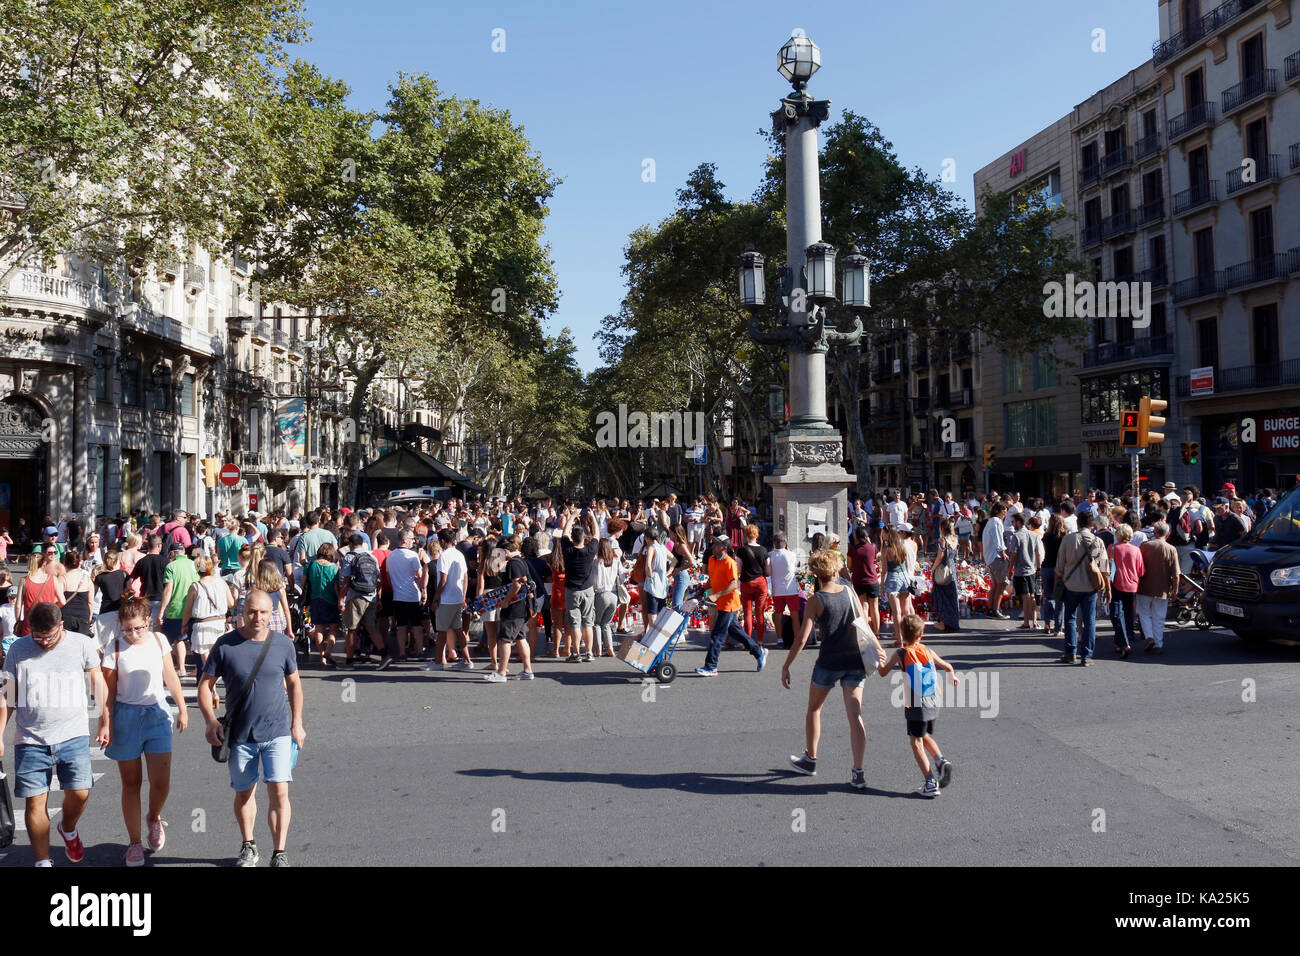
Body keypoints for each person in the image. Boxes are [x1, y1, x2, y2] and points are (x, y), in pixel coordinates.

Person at [198, 589, 304, 867]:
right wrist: (210, 720)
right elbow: (205, 686)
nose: (257, 617)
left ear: (273, 614)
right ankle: (249, 845)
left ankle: (279, 852)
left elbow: (294, 684)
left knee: (279, 791)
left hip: (277, 731)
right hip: (241, 734)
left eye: (263, 612)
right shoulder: (225, 645)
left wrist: (297, 723)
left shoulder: (283, 645)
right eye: (252, 612)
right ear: (243, 612)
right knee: (244, 793)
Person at [0, 602, 109, 866]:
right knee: (35, 803)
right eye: (37, 635)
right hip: (30, 739)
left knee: (81, 792)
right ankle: (43, 862)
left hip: (73, 734)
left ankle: (68, 828)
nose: (43, 642)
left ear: (60, 625)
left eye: (48, 636)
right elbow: (8, 695)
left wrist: (106, 721)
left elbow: (98, 682)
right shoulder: (18, 649)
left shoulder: (81, 644)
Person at [782, 548, 886, 791]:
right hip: (854, 662)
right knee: (855, 717)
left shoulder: (816, 600)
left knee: (814, 709)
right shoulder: (849, 593)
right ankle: (858, 771)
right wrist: (880, 650)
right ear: (835, 570)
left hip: (828, 662)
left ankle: (811, 758)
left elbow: (802, 639)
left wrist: (787, 665)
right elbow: (865, 624)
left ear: (816, 574)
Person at [101, 596, 187, 866]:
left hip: (157, 714)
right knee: (131, 784)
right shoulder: (114, 649)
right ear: (121, 626)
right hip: (125, 717)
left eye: (139, 628)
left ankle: (154, 817)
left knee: (161, 782)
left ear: (148, 621)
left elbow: (170, 675)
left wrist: (182, 708)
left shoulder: (159, 641)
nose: (134, 634)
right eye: (128, 629)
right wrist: (105, 722)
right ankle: (135, 842)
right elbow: (107, 693)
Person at [876, 613, 958, 799]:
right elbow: (947, 666)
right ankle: (940, 760)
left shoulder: (901, 654)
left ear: (902, 635)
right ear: (921, 635)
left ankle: (930, 782)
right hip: (933, 701)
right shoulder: (927, 650)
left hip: (915, 704)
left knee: (916, 742)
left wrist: (879, 660)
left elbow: (882, 672)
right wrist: (952, 676)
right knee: (924, 734)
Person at [695, 536, 767, 677]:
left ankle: (711, 666)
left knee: (717, 635)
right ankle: (758, 651)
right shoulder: (711, 560)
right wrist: (702, 590)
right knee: (734, 631)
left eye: (716, 544)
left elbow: (734, 584)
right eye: (713, 543)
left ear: (724, 548)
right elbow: (712, 578)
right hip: (720, 603)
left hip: (729, 604)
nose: (713, 546)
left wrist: (716, 595)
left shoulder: (730, 563)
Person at [1055, 511, 1110, 666]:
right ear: (1091, 524)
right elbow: (1104, 567)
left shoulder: (1068, 539)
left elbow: (1059, 567)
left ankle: (1070, 652)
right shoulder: (1097, 541)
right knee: (1089, 621)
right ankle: (1086, 655)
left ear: (1078, 523)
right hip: (1090, 587)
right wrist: (1108, 589)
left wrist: (1056, 586)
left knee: (1070, 619)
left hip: (1071, 585)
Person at [181, 555, 234, 707]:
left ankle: (214, 693)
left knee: (207, 664)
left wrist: (184, 624)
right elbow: (231, 603)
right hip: (219, 623)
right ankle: (225, 690)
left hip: (202, 625)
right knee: (221, 659)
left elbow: (188, 609)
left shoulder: (195, 586)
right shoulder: (221, 582)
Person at [489, 536, 535, 681]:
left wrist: (506, 601)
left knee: (504, 639)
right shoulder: (521, 561)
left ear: (504, 551)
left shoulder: (513, 564)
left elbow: (516, 585)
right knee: (520, 638)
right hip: (522, 607)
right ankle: (527, 670)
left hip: (514, 608)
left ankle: (501, 672)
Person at [424, 528, 468, 671]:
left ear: (442, 541)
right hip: (457, 596)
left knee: (442, 631)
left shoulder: (444, 556)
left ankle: (438, 662)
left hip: (446, 598)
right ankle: (467, 660)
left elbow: (443, 579)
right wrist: (463, 596)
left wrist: (435, 599)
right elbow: (465, 577)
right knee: (458, 629)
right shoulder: (459, 554)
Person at [156, 542, 199, 681]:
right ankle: (190, 668)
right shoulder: (194, 564)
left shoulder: (171, 566)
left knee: (168, 641)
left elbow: (168, 590)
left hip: (176, 609)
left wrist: (161, 611)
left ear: (173, 553)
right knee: (192, 641)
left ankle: (170, 669)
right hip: (193, 608)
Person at [1136, 521, 1180, 655]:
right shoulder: (1171, 549)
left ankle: (1149, 636)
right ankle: (1158, 643)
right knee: (1159, 617)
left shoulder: (1144, 546)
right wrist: (1175, 589)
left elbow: (1138, 566)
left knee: (1144, 613)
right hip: (1163, 588)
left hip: (1144, 586)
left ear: (1154, 533)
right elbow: (1176, 574)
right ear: (1168, 534)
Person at [1108, 524, 1143, 658]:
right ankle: (1126, 636)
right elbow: (1141, 570)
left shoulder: (1112, 548)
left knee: (1116, 614)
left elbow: (1106, 566)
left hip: (1116, 584)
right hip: (1132, 584)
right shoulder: (1136, 550)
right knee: (1128, 612)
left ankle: (1123, 642)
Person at [305, 542, 342, 667]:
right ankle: (328, 651)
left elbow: (305, 581)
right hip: (330, 599)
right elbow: (337, 587)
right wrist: (340, 600)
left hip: (315, 599)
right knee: (333, 627)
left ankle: (322, 657)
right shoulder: (333, 568)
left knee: (319, 628)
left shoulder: (311, 565)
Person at [1006, 513, 1044, 631]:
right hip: (1033, 569)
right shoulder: (1034, 535)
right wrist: (1039, 567)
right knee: (1033, 595)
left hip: (1021, 570)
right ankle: (1035, 621)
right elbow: (1038, 553)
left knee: (1026, 596)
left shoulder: (1016, 536)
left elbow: (1013, 554)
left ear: (1018, 522)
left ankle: (1026, 622)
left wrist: (1009, 569)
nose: (1012, 524)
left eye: (1013, 522)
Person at [15, 549, 65, 638]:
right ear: (44, 564)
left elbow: (18, 606)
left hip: (29, 624)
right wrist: (51, 607)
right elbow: (62, 602)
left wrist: (18, 621)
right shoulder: (52, 579)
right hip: (48, 622)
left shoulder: (24, 581)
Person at [766, 532, 803, 649]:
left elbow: (768, 571)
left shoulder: (770, 555)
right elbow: (797, 565)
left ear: (774, 543)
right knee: (794, 615)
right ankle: (797, 639)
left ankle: (780, 639)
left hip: (777, 589)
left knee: (778, 615)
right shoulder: (791, 554)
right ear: (785, 543)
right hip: (790, 589)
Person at [736, 523, 769, 648]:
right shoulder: (764, 550)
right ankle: (760, 641)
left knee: (748, 612)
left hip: (747, 582)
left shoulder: (741, 550)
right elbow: (768, 571)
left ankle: (748, 641)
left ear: (746, 535)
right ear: (757, 535)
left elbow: (738, 569)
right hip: (761, 582)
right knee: (760, 612)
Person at [846, 525, 881, 637]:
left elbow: (849, 566)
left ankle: (866, 632)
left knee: (863, 606)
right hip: (872, 580)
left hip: (858, 580)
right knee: (874, 607)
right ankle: (877, 632)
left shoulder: (853, 550)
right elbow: (878, 556)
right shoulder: (872, 547)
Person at [592, 537, 622, 660]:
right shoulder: (616, 560)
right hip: (613, 594)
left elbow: (594, 580)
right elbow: (622, 575)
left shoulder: (596, 561)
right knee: (606, 623)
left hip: (601, 594)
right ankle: (609, 648)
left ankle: (598, 648)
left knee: (596, 623)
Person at [930, 519, 961, 632]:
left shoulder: (943, 540)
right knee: (952, 596)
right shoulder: (955, 539)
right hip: (951, 569)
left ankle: (943, 622)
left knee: (941, 596)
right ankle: (953, 622)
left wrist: (933, 569)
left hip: (943, 569)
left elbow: (940, 556)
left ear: (942, 528)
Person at [1040, 515, 1068, 636]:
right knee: (1059, 599)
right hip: (1059, 568)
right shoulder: (1064, 537)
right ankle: (1058, 627)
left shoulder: (1046, 536)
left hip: (1046, 567)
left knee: (1048, 596)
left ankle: (1047, 623)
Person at [982, 503, 1010, 619]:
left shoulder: (990, 521)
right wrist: (1003, 552)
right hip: (996, 557)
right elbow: (998, 538)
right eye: (1004, 511)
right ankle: (996, 609)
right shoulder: (996, 521)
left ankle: (991, 608)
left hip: (990, 557)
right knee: (1001, 584)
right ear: (1000, 511)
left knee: (995, 584)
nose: (1005, 513)